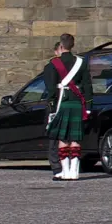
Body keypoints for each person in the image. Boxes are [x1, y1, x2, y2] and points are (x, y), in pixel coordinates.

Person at [44, 33, 92, 180]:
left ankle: (64, 172)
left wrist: (51, 106)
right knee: (75, 139)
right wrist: (89, 106)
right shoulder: (81, 62)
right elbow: (87, 86)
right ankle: (74, 171)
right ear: (72, 45)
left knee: (62, 138)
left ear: (61, 46)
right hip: (77, 103)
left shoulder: (53, 64)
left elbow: (51, 89)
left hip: (62, 103)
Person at [48, 42, 63, 181]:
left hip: (67, 103)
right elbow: (51, 88)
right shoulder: (52, 66)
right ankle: (58, 168)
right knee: (56, 136)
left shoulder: (73, 64)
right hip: (58, 103)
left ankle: (65, 167)